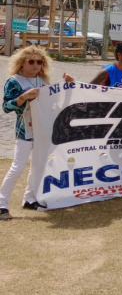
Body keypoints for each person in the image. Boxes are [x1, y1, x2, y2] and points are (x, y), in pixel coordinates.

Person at [1, 46, 74, 220]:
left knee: (39, 165)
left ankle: (29, 198)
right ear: (21, 63)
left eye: (39, 62)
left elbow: (54, 104)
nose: (36, 65)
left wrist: (68, 86)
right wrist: (23, 97)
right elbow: (6, 106)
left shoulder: (42, 81)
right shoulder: (14, 81)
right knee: (18, 166)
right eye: (31, 61)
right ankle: (2, 203)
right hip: (24, 129)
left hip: (42, 129)